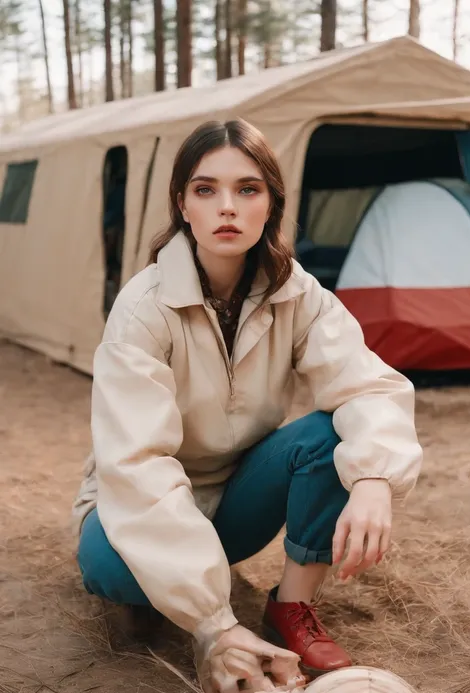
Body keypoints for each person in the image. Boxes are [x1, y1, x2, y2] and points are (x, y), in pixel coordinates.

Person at [73, 119, 423, 693]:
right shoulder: (141, 309)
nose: (227, 208)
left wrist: (375, 480)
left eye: (248, 189)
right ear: (182, 205)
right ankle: (174, 593)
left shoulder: (299, 293)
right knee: (113, 570)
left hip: (237, 497)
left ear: (271, 206)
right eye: (206, 190)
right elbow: (135, 464)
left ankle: (290, 606)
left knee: (332, 436)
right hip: (140, 499)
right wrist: (214, 627)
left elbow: (369, 387)